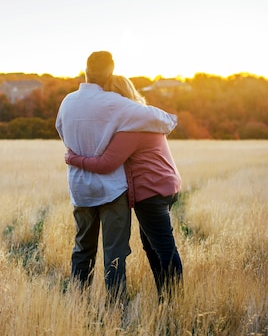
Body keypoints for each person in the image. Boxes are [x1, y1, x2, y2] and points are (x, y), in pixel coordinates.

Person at [55, 51, 177, 302]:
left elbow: (61, 130)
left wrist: (77, 153)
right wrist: (169, 119)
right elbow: (162, 120)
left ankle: (79, 299)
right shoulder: (115, 103)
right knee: (115, 252)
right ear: (111, 71)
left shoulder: (67, 101)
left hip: (80, 188)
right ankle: (115, 305)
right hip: (112, 189)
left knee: (82, 248)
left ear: (85, 69)